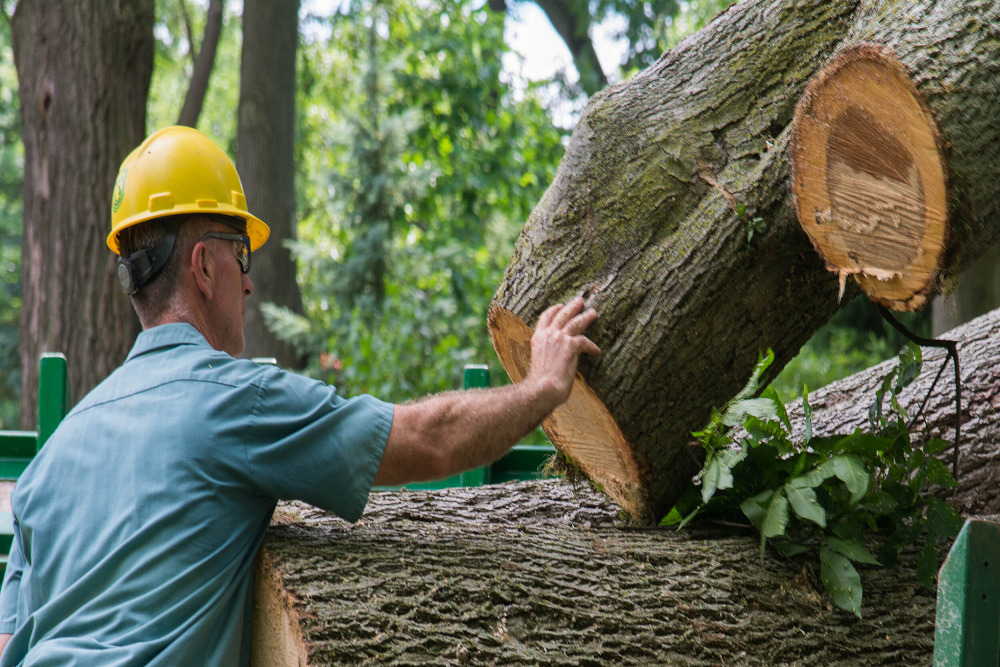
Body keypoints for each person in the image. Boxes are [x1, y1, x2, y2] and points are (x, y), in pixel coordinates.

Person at [0, 126, 600, 665]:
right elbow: (429, 441)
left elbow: (9, 644)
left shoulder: (47, 467)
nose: (251, 280)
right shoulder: (234, 404)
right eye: (242, 254)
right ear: (204, 267)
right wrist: (542, 386)